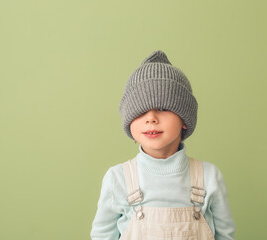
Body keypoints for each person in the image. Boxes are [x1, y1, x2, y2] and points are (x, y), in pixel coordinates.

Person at [90, 50, 236, 240]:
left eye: (163, 108)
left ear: (184, 119)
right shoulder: (117, 179)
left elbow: (226, 236)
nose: (150, 118)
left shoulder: (209, 177)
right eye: (140, 111)